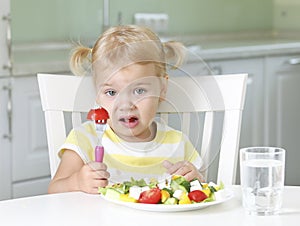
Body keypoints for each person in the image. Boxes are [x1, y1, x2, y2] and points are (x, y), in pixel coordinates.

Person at [48, 25, 203, 194]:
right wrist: (77, 182)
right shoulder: (85, 139)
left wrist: (196, 180)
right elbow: (54, 190)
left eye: (139, 91)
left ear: (163, 88)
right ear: (97, 94)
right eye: (111, 92)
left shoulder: (178, 143)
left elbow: (204, 189)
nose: (126, 104)